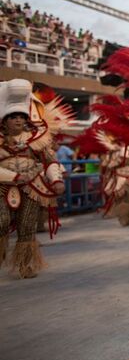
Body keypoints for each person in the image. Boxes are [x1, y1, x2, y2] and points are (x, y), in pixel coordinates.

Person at [0, 79, 70, 277]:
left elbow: (50, 161)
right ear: (4, 120)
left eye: (21, 117)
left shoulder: (38, 140)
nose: (18, 121)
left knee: (27, 226)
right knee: (1, 221)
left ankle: (26, 264)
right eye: (13, 117)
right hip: (2, 187)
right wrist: (14, 176)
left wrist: (56, 180)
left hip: (32, 187)